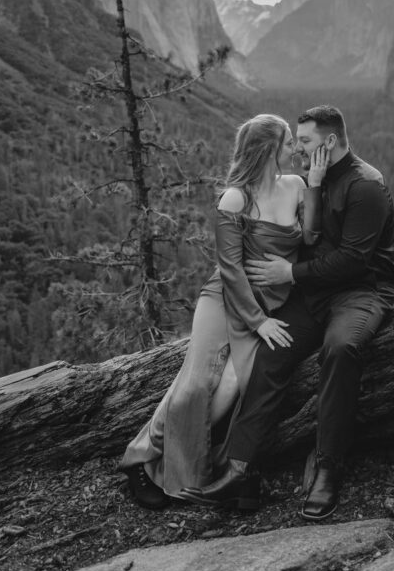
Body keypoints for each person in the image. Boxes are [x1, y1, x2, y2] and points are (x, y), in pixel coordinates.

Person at [181, 104, 394, 520]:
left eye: (304, 141)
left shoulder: (366, 185)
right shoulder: (309, 181)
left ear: (330, 141)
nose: (298, 149)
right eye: (295, 142)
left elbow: (355, 259)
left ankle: (328, 468)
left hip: (361, 293)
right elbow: (304, 232)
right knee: (271, 352)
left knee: (340, 349)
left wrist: (289, 272)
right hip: (313, 295)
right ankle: (240, 471)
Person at [119, 113, 327, 510]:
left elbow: (312, 236)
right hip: (225, 300)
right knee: (198, 382)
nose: (294, 149)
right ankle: (141, 458)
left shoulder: (297, 186)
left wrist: (315, 186)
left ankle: (203, 463)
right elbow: (230, 269)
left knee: (233, 386)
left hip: (274, 301)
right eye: (288, 143)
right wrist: (259, 321)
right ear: (268, 149)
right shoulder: (236, 197)